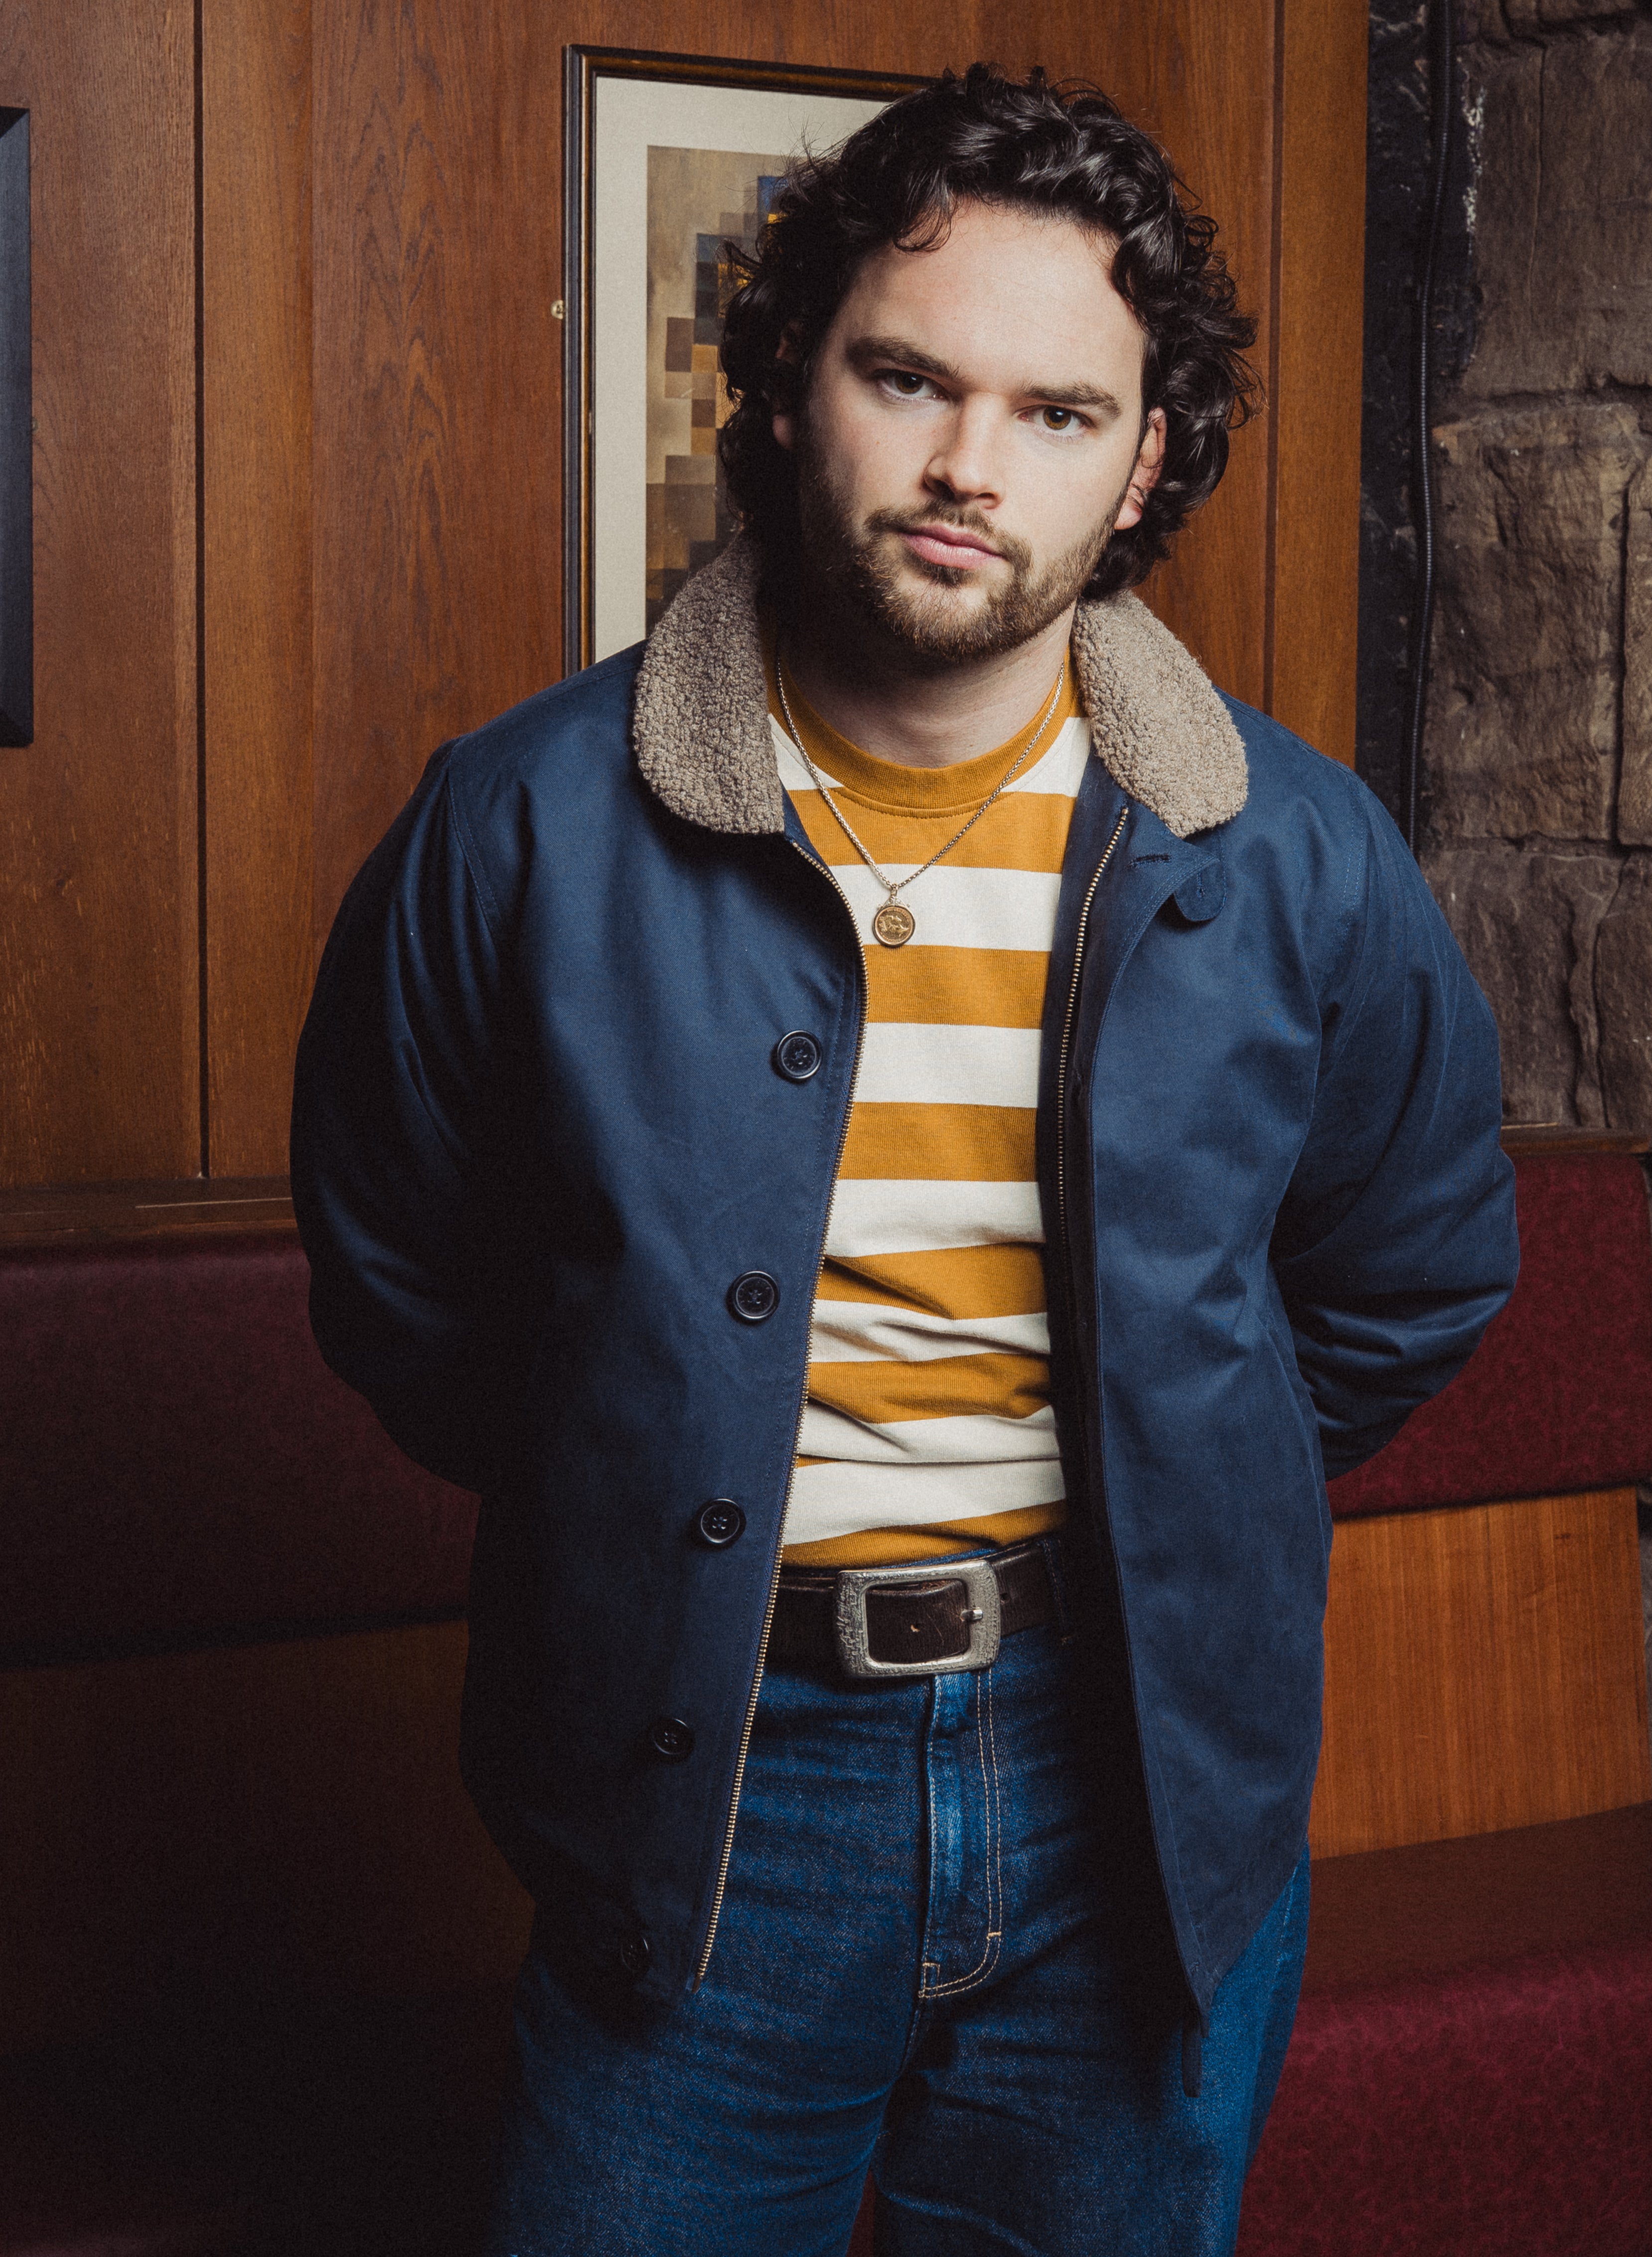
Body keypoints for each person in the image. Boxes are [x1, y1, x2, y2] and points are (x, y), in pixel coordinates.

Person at [291, 63, 1517, 2257]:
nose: (972, 465)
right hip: (704, 1775)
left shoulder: (1298, 855)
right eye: (908, 376)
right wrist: (646, 1466)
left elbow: (1409, 1270)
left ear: (1145, 461)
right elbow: (403, 1279)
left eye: (1060, 412)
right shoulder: (521, 823)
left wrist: (1171, 1482)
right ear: (790, 386)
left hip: (1139, 1778)